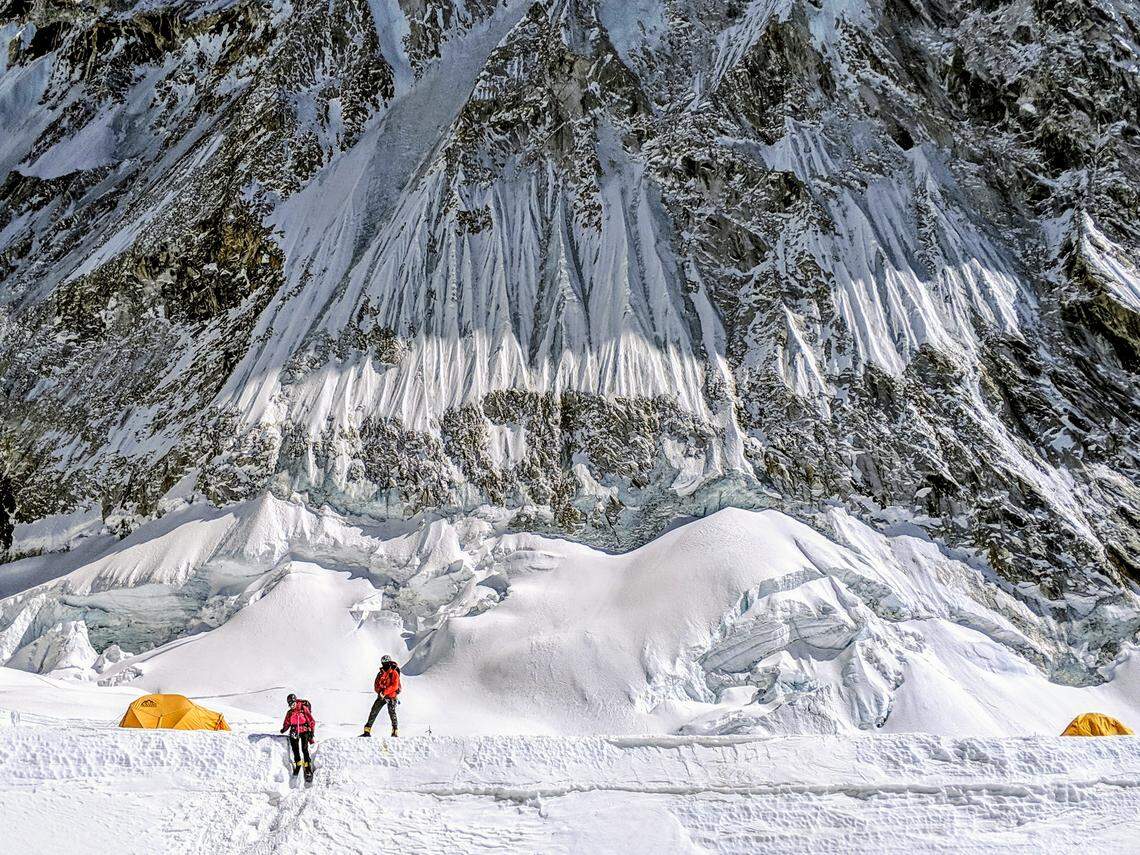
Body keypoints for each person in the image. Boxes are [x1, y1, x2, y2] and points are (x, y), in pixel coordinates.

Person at [359, 655, 401, 737]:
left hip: (391, 696)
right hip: (382, 696)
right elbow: (376, 685)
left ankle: (395, 731)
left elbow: (395, 686)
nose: (385, 664)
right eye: (384, 663)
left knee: (392, 713)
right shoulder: (380, 673)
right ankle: (367, 731)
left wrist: (384, 692)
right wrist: (380, 692)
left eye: (386, 663)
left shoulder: (394, 673)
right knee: (374, 711)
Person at [281, 693, 316, 778]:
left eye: (293, 703)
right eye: (290, 704)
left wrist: (311, 732)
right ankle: (298, 764)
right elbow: (287, 722)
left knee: (304, 749)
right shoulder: (289, 712)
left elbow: (311, 720)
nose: (292, 706)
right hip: (294, 731)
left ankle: (307, 768)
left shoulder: (303, 708)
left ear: (295, 701)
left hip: (304, 730)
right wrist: (284, 729)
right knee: (295, 750)